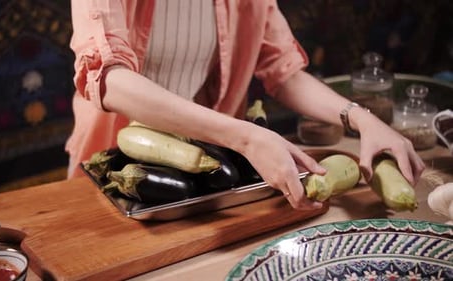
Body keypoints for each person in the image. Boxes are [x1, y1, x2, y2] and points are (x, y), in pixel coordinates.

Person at [66, 0, 425, 210]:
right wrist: (246, 138)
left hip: (209, 164)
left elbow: (283, 70)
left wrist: (360, 118)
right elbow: (108, 77)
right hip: (116, 170)